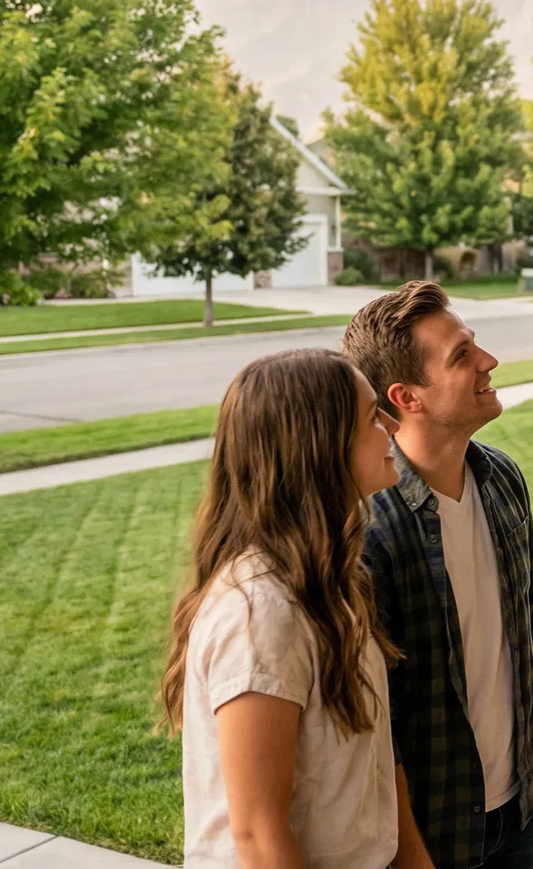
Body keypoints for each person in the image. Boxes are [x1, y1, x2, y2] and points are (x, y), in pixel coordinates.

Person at [344, 281, 533, 869]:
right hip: (430, 831)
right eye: (461, 356)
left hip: (517, 813)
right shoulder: (370, 529)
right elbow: (380, 721)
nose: (489, 361)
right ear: (406, 397)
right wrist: (410, 854)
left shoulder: (501, 478)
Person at [159, 347, 434, 869]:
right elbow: (258, 836)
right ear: (321, 447)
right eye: (372, 417)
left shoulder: (327, 583)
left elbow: (372, 767)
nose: (393, 426)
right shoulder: (261, 615)